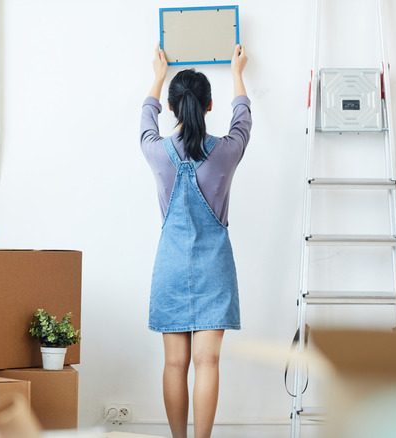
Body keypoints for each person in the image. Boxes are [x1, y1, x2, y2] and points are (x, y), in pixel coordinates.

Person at [140, 44, 250, 438]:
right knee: (207, 363)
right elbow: (243, 119)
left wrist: (158, 74)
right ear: (208, 106)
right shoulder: (226, 152)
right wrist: (238, 71)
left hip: (170, 266)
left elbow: (145, 120)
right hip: (213, 268)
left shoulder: (156, 152)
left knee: (174, 365)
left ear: (173, 108)